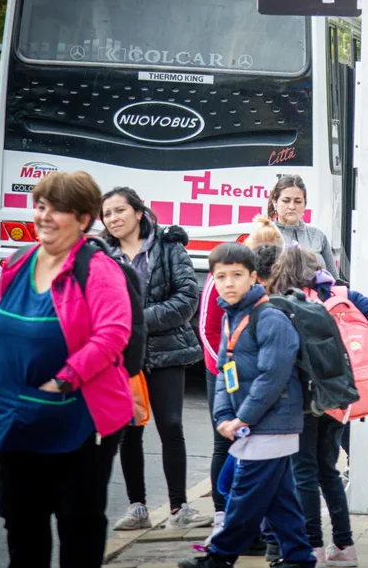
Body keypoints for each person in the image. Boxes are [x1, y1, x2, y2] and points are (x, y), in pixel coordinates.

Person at [0, 171, 133, 568]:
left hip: (80, 416)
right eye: (40, 206)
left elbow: (113, 334)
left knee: (78, 521)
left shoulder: (98, 269)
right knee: (20, 517)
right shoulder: (20, 260)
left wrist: (61, 382)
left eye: (57, 209)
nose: (44, 216)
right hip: (16, 409)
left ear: (83, 219)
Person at [179, 244, 315, 568]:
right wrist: (225, 414)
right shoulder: (232, 316)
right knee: (281, 499)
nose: (228, 283)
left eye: (237, 275)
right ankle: (299, 558)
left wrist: (241, 417)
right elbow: (226, 371)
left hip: (273, 423)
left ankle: (219, 557)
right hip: (255, 424)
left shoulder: (270, 318)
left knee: (244, 497)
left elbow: (273, 377)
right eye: (221, 276)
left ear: (253, 277)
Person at [269, 247, 368, 565]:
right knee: (329, 471)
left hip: (305, 398)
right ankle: (345, 546)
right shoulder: (339, 293)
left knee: (304, 473)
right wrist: (346, 350)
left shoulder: (285, 301)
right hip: (337, 394)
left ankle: (312, 546)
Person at [101, 188, 209, 532]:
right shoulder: (103, 254)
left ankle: (180, 508)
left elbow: (187, 298)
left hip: (167, 350)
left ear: (138, 212)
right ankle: (137, 508)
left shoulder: (168, 246)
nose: (114, 218)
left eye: (120, 211)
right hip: (122, 355)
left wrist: (136, 320)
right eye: (107, 214)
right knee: (130, 429)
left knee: (171, 425)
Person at [198, 219, 285, 543]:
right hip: (221, 372)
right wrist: (222, 367)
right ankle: (223, 515)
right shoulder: (220, 280)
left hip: (250, 378)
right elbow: (208, 330)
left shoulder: (265, 284)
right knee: (224, 443)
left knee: (254, 448)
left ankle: (261, 527)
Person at [267, 175, 338, 279]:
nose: (292, 206)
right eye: (286, 201)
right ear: (275, 203)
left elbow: (334, 281)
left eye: (298, 201)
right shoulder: (264, 235)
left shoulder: (318, 235)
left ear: (305, 204)